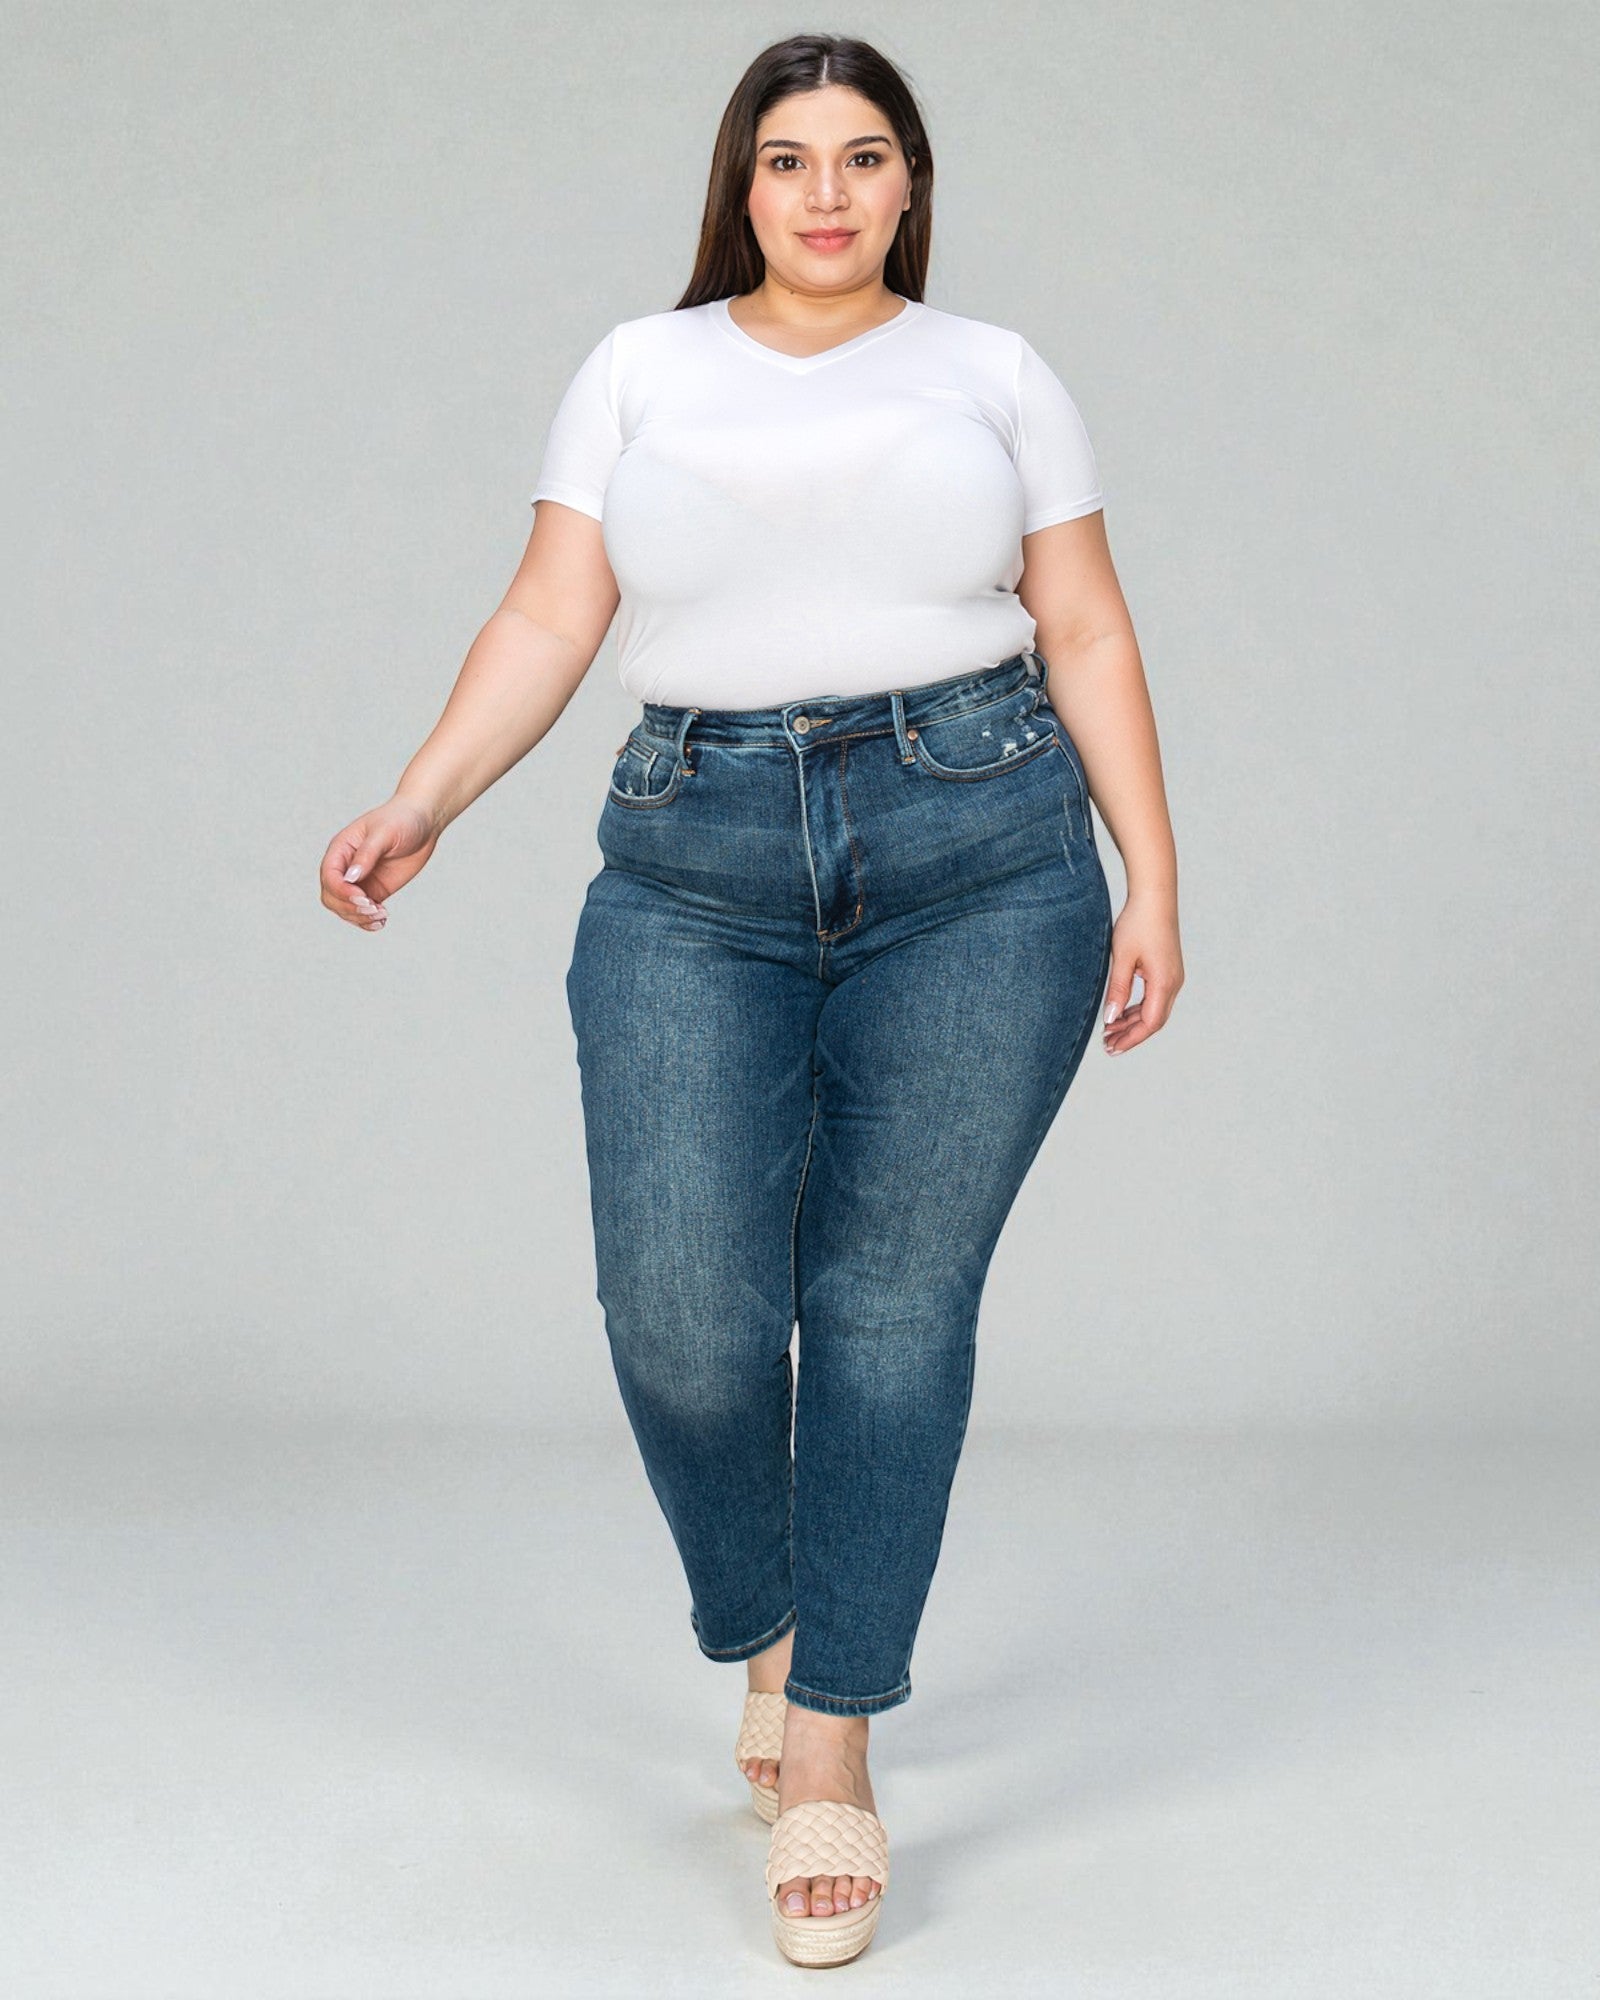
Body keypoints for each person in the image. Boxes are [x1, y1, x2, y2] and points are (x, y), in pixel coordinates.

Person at [319, 31, 1183, 1969]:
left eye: (861, 156)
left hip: (981, 848)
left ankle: (832, 1747)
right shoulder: (639, 369)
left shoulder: (996, 376)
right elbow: (553, 609)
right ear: (739, 184)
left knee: (886, 1305)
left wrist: (1155, 870)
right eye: (786, 157)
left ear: (904, 186)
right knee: (682, 1308)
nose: (822, 192)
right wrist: (424, 795)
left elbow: (1086, 622)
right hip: (689, 857)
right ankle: (777, 1629)